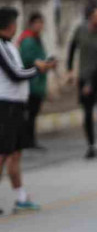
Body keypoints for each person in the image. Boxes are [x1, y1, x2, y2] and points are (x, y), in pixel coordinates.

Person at [0, 7, 55, 214]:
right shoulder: (1, 46)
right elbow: (15, 74)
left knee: (15, 153)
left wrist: (39, 66)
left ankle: (21, 197)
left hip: (16, 105)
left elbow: (20, 70)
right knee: (2, 153)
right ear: (9, 24)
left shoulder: (11, 46)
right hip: (6, 105)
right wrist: (38, 69)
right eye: (14, 22)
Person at [67, 5, 97, 159]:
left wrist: (90, 83)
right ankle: (90, 145)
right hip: (84, 76)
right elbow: (73, 47)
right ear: (90, 17)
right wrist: (69, 69)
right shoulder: (81, 30)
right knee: (87, 111)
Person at [18, 13, 49, 151]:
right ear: (30, 24)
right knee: (29, 114)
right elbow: (28, 60)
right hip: (30, 83)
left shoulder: (37, 39)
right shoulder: (28, 40)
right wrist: (41, 64)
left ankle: (29, 140)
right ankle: (27, 140)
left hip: (37, 83)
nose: (39, 26)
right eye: (36, 22)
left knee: (33, 113)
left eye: (41, 22)